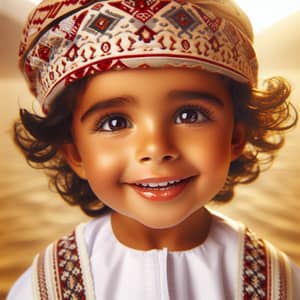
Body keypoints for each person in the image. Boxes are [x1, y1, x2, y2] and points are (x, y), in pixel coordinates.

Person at [7, 0, 300, 299]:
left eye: (189, 115)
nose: (156, 149)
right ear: (75, 153)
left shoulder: (281, 282)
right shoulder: (43, 287)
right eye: (115, 122)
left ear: (236, 135)